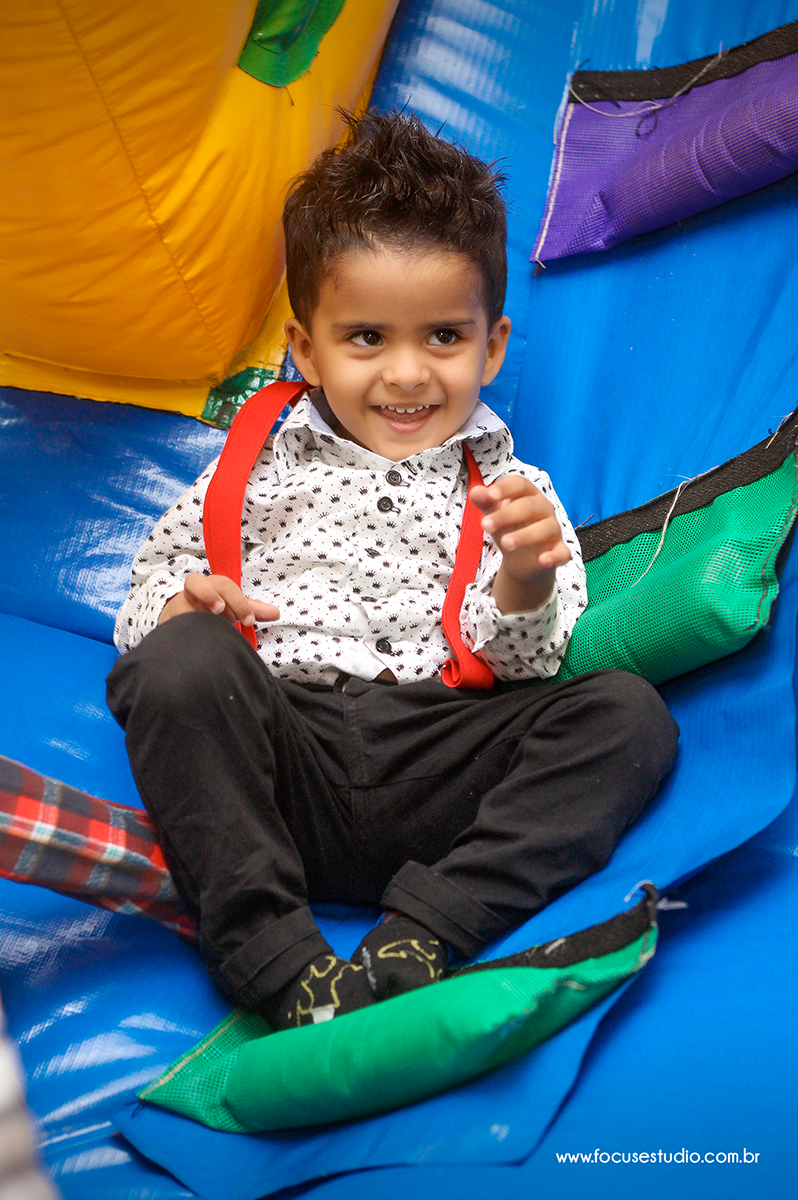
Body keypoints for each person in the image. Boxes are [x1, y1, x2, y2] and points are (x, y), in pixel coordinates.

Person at [107, 112, 678, 1030]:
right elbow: (144, 604)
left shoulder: (513, 491)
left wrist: (524, 578)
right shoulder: (252, 469)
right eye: (367, 338)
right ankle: (278, 962)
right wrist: (183, 607)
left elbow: (528, 659)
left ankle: (423, 932)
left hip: (440, 763)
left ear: (492, 345)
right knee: (177, 666)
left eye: (443, 337)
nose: (407, 374)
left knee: (626, 716)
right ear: (306, 348)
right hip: (280, 766)